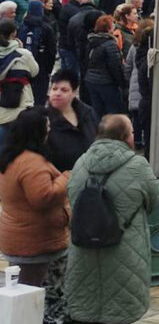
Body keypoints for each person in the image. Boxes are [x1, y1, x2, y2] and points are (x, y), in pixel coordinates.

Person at [66, 114, 159, 324]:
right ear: (124, 136)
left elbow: (71, 195)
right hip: (125, 251)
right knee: (120, 313)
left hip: (84, 250)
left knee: (87, 310)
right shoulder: (138, 165)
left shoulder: (81, 163)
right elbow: (154, 201)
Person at [0, 107, 70, 324]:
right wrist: (66, 178)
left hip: (22, 240)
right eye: (47, 128)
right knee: (40, 300)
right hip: (37, 245)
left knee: (28, 297)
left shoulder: (11, 157)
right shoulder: (32, 164)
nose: (49, 132)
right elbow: (43, 197)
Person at [45, 69, 98, 173]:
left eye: (64, 90)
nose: (57, 93)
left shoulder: (87, 113)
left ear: (74, 93)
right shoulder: (44, 119)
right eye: (54, 89)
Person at [83, 15, 127, 118]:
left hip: (91, 80)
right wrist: (123, 84)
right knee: (114, 112)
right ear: (108, 28)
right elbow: (115, 66)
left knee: (97, 111)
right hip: (106, 82)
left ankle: (97, 132)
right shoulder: (110, 44)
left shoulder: (91, 41)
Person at [18, 0, 56, 106]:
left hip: (24, 66)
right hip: (41, 65)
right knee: (40, 96)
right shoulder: (46, 28)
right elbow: (51, 51)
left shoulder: (22, 27)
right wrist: (49, 69)